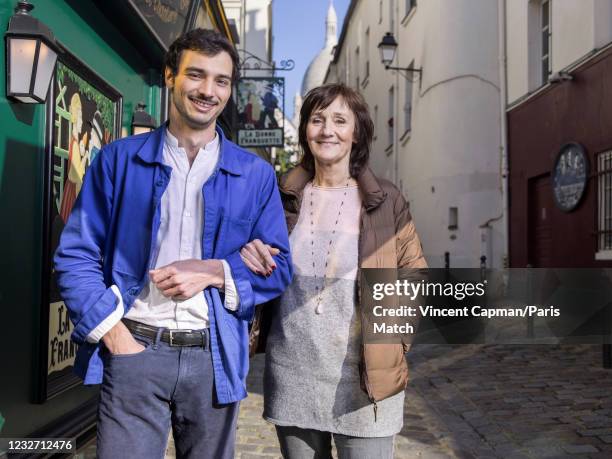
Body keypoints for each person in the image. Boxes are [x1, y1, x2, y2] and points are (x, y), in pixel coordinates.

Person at [54, 28, 292, 459]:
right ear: (169, 76)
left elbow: (281, 269)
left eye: (221, 80)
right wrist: (115, 337)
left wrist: (215, 270)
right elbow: (76, 255)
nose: (208, 91)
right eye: (196, 75)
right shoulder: (118, 161)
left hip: (214, 357)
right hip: (134, 350)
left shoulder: (255, 175)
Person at [240, 83, 427, 458]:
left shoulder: (386, 201)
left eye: (340, 120)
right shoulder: (281, 197)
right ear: (305, 129)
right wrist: (249, 253)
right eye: (317, 119)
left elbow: (413, 273)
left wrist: (394, 342)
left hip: (365, 383)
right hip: (293, 373)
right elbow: (253, 261)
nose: (327, 130)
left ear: (356, 133)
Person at [59, 93, 88, 223]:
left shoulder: (74, 142)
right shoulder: (75, 144)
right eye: (80, 117)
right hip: (71, 194)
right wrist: (85, 157)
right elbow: (75, 176)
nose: (82, 121)